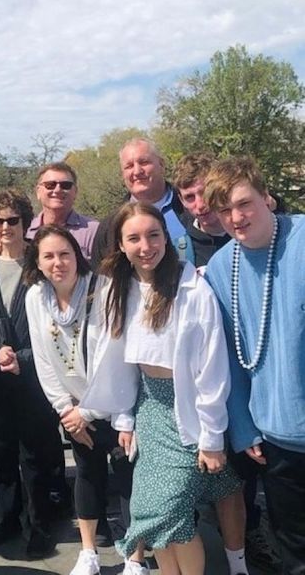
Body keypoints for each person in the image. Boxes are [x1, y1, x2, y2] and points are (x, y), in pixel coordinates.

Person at [83, 202, 244, 575]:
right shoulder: (119, 290)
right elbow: (119, 363)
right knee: (156, 520)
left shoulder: (190, 286)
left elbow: (211, 367)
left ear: (166, 238)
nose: (146, 246)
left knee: (170, 511)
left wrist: (211, 437)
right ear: (121, 245)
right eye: (134, 238)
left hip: (187, 411)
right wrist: (124, 418)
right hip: (148, 410)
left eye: (153, 235)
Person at [172, 153, 281, 571]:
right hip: (225, 383)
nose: (203, 204)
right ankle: (244, 542)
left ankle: (255, 538)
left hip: (273, 383)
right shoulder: (182, 245)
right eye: (192, 197)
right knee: (235, 478)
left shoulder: (265, 231)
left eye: (207, 193)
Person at [204, 157, 305, 574]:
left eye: (244, 204)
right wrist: (243, 427)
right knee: (294, 550)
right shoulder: (218, 267)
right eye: (224, 210)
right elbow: (226, 355)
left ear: (267, 198)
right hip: (277, 438)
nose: (235, 218)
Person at [22, 225, 141, 574]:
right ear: (38, 262)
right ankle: (88, 553)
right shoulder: (36, 297)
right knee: (87, 473)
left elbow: (114, 356)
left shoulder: (102, 291)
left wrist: (87, 411)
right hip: (75, 409)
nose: (58, 262)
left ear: (78, 256)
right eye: (49, 256)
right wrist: (66, 410)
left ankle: (134, 556)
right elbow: (44, 360)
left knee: (128, 476)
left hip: (117, 403)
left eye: (65, 254)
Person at [0, 191, 66, 557]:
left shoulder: (40, 265)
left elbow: (56, 319)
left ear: (25, 224)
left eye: (12, 221)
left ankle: (39, 525)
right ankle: (8, 517)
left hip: (35, 372)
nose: (5, 228)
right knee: (2, 449)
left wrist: (21, 355)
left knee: (35, 453)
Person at [90, 137, 187, 267]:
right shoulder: (111, 226)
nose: (137, 171)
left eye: (144, 162)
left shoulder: (191, 206)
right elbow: (100, 278)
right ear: (122, 174)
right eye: (129, 166)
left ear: (162, 165)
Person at [26, 162, 99, 261]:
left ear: (75, 192)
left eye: (66, 185)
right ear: (38, 192)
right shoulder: (25, 230)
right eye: (50, 185)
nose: (57, 190)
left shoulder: (94, 231)